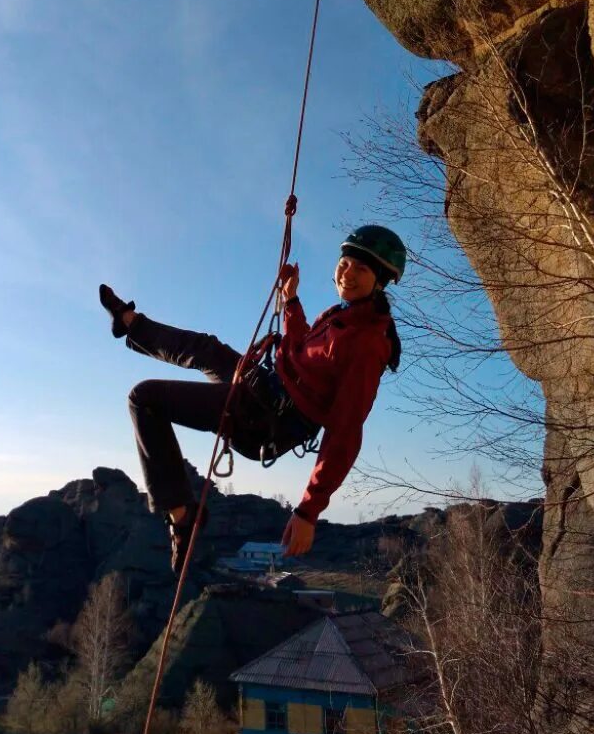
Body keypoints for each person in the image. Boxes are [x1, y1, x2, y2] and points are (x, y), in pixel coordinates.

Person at [99, 225, 405, 575]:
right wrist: (291, 299)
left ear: (380, 281)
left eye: (361, 269)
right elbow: (301, 347)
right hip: (265, 389)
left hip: (263, 422)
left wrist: (308, 510)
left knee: (144, 399)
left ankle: (182, 517)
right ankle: (130, 322)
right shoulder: (341, 315)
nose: (347, 274)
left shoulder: (366, 343)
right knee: (208, 348)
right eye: (345, 263)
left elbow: (346, 431)